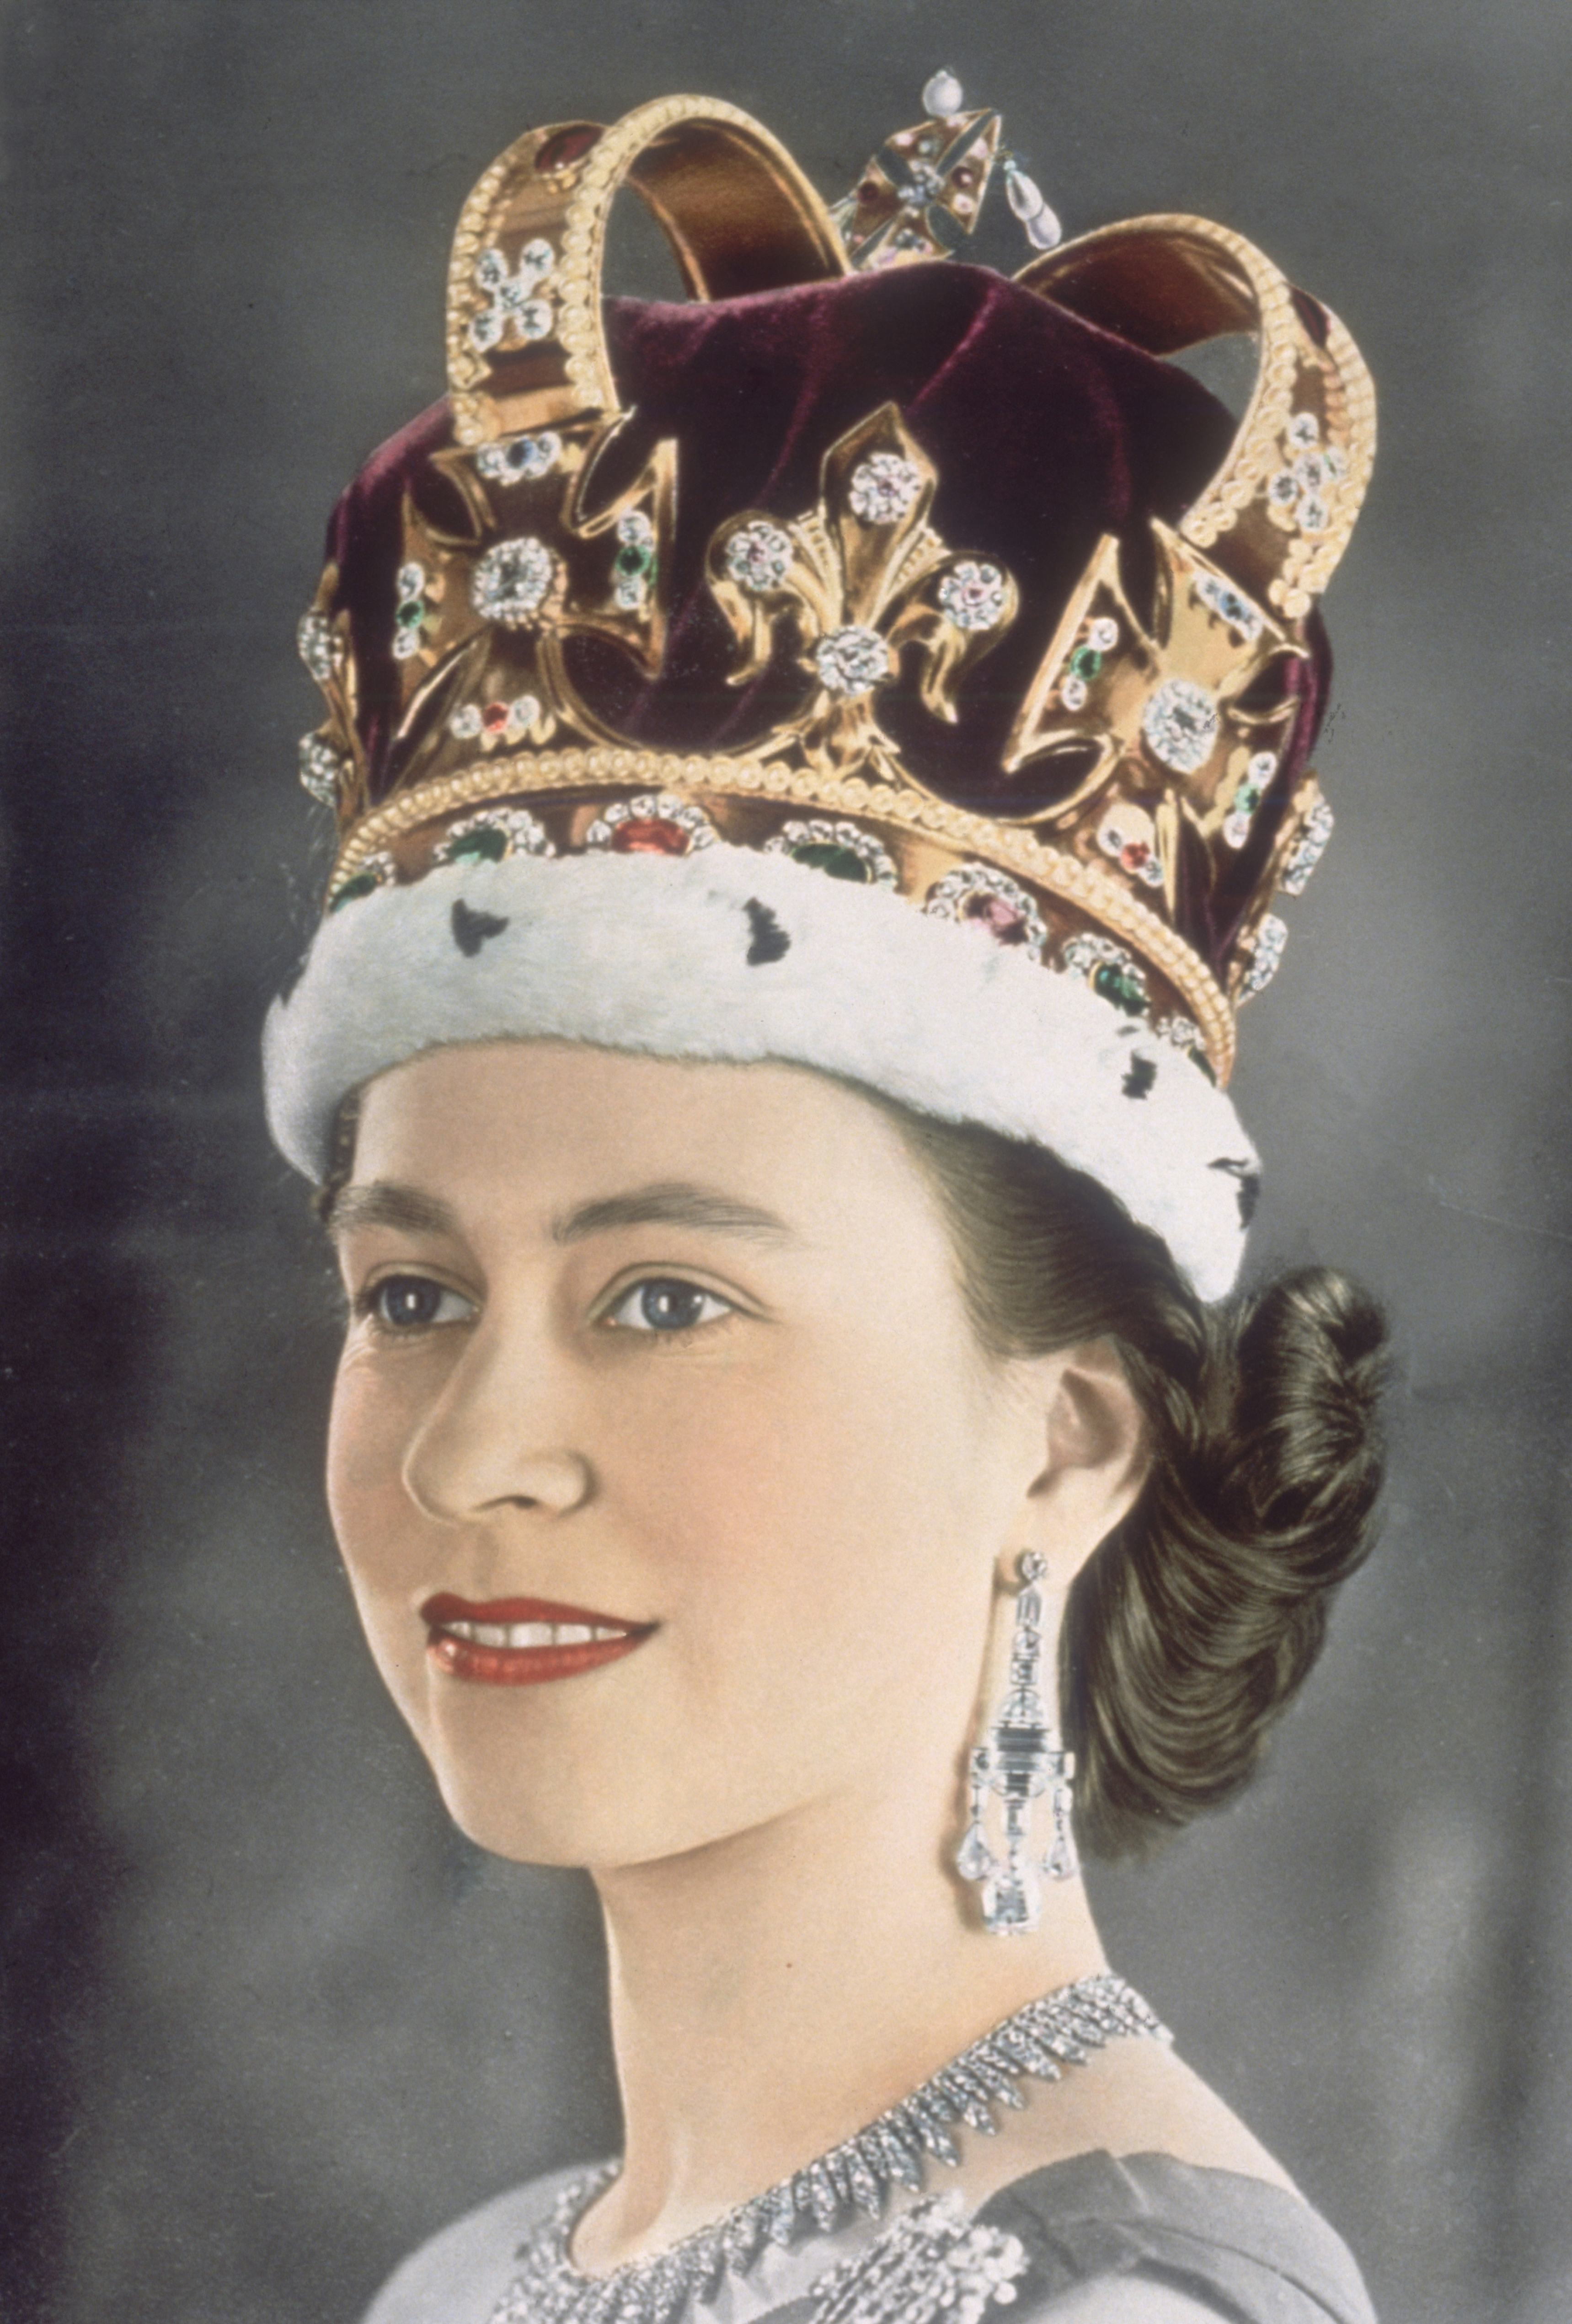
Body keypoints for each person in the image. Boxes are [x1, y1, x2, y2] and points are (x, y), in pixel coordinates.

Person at [265, 85, 1386, 2323]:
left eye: (665, 1296)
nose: (472, 1450)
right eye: (409, 1289)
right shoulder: (470, 2280)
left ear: (1066, 1435)